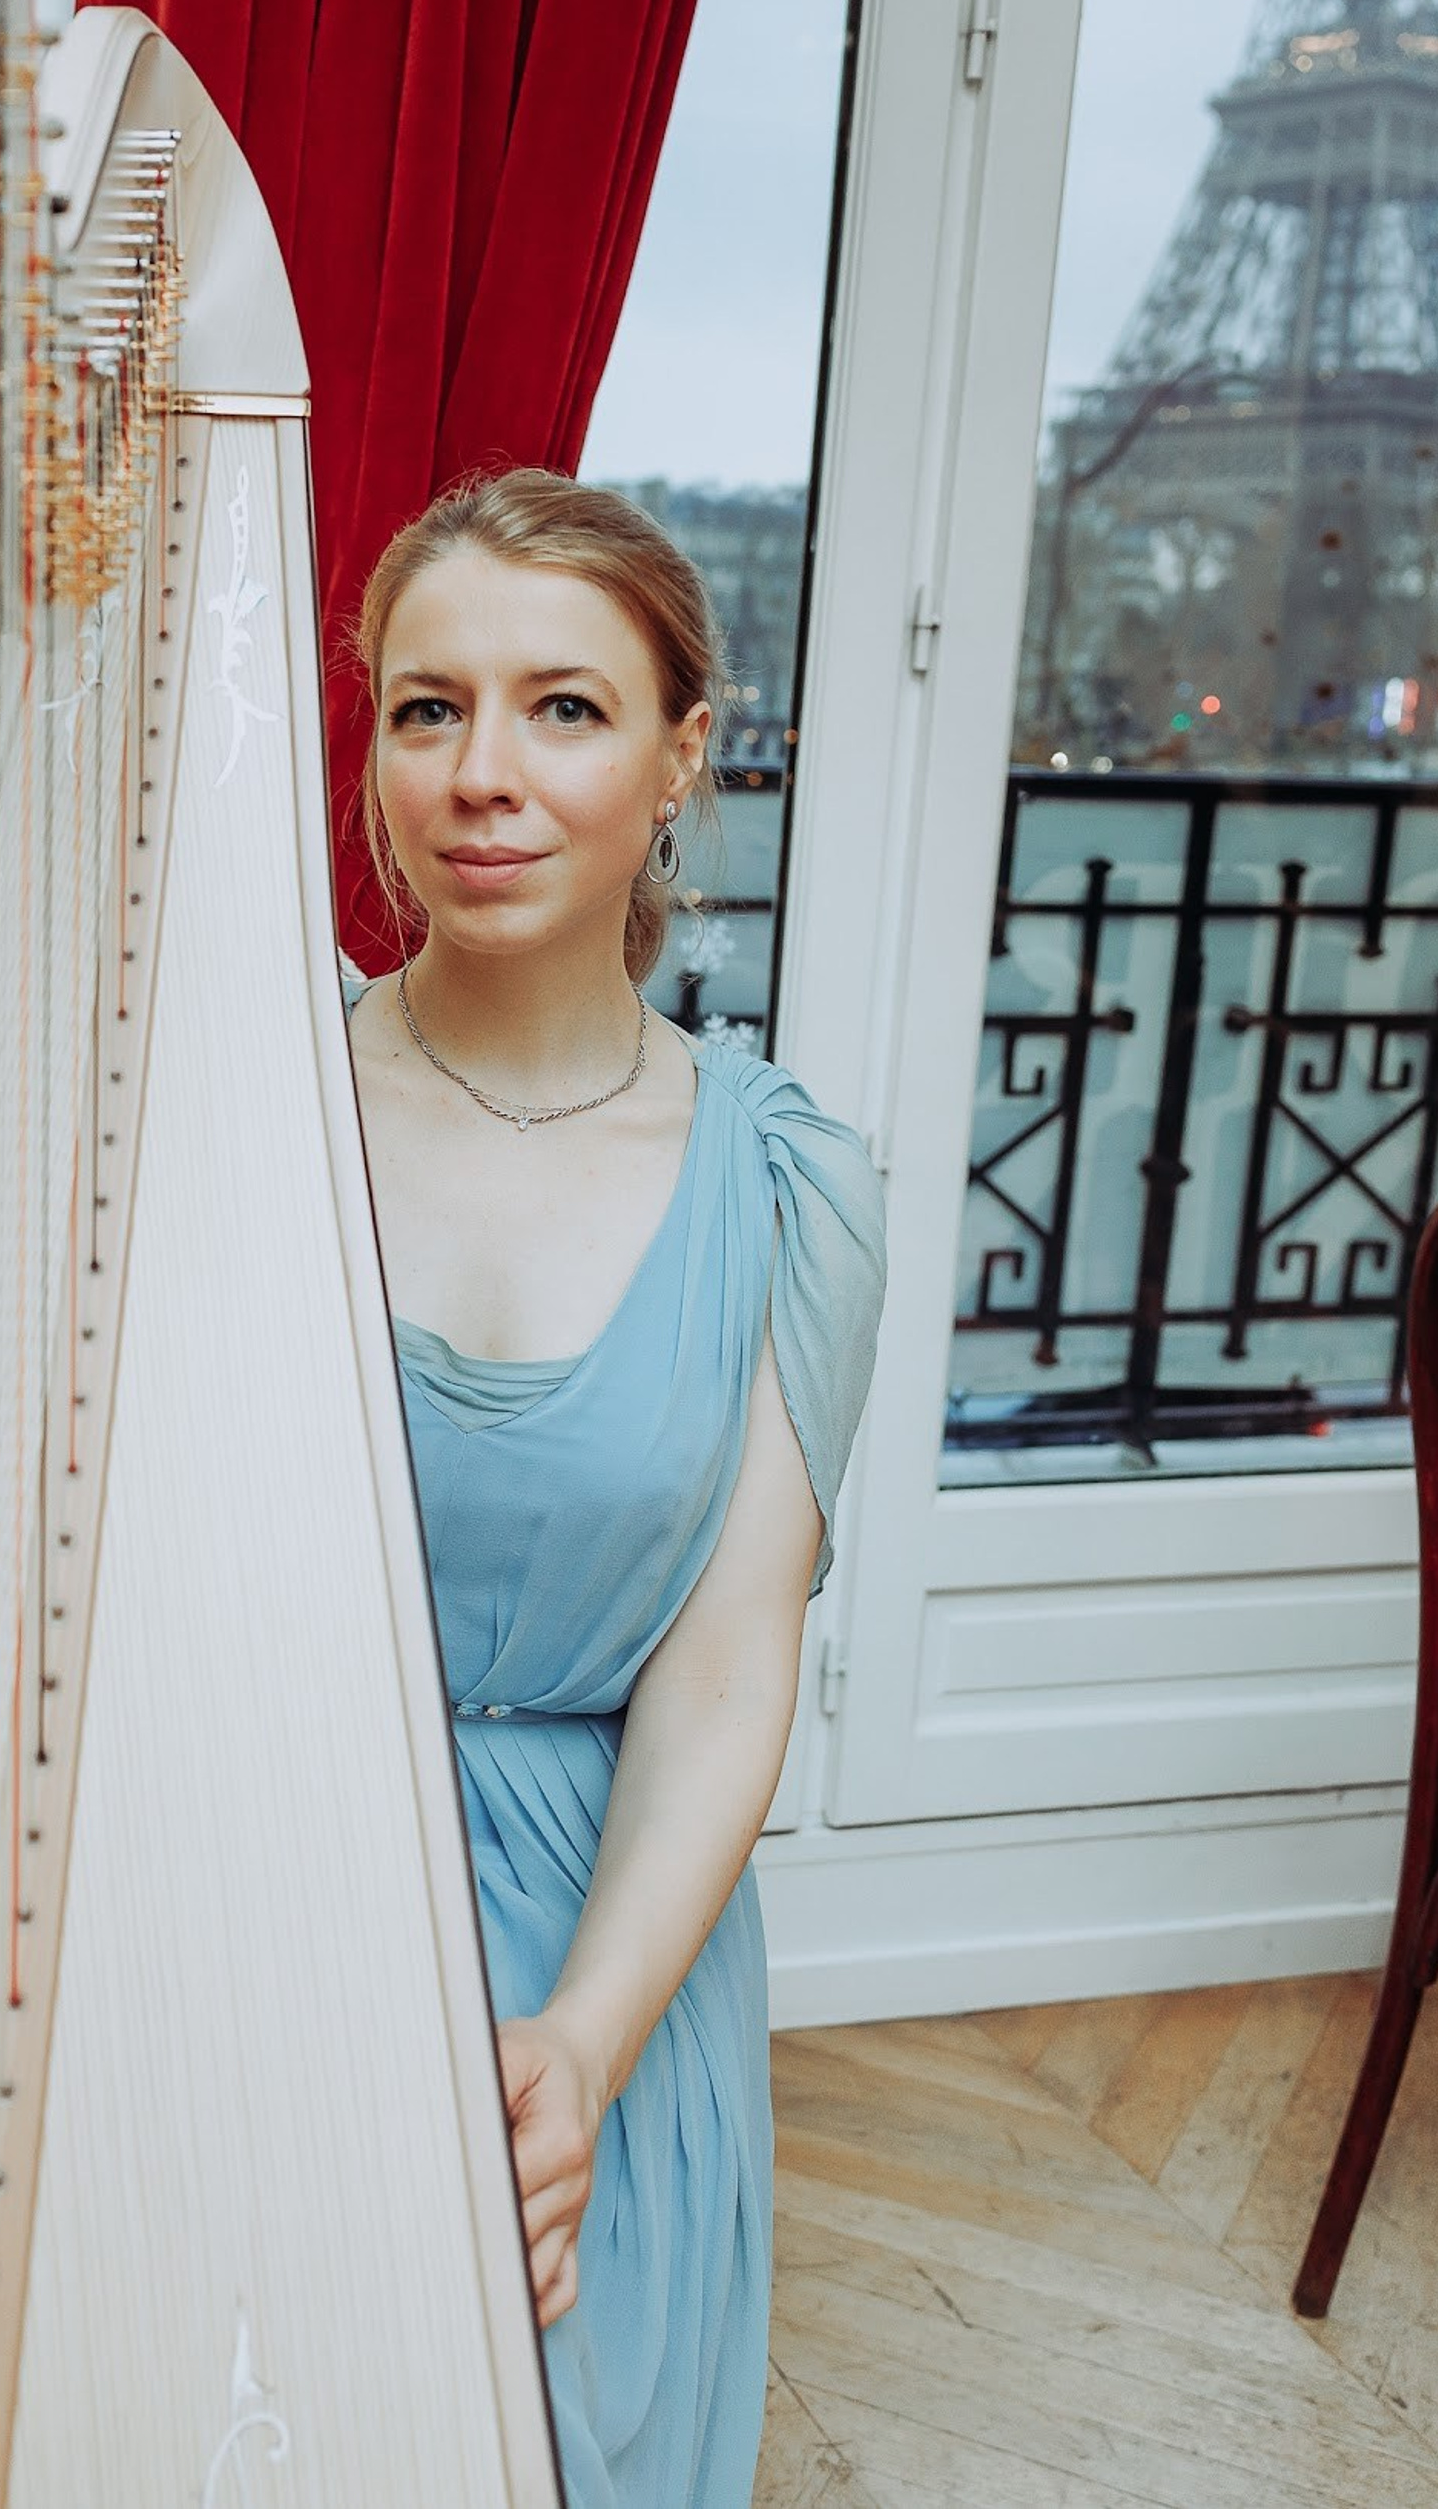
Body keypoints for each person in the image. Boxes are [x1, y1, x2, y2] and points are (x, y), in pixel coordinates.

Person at [340, 469, 886, 2507]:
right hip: (273, 1860)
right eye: (428, 707)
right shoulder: (229, 1097)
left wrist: (576, 2040)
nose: (481, 773)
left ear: (677, 759)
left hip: (609, 1928)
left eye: (561, 707)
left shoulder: (788, 1184)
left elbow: (724, 1676)